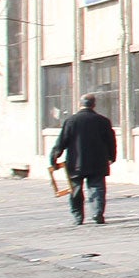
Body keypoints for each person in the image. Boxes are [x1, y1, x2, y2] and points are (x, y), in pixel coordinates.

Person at [49, 92, 116, 225]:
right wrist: (111, 157)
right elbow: (111, 141)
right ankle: (97, 214)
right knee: (97, 188)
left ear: (80, 104)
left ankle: (78, 217)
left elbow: (61, 142)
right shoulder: (103, 121)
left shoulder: (71, 121)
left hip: (75, 163)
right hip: (98, 162)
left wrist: (54, 159)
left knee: (75, 190)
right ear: (94, 105)